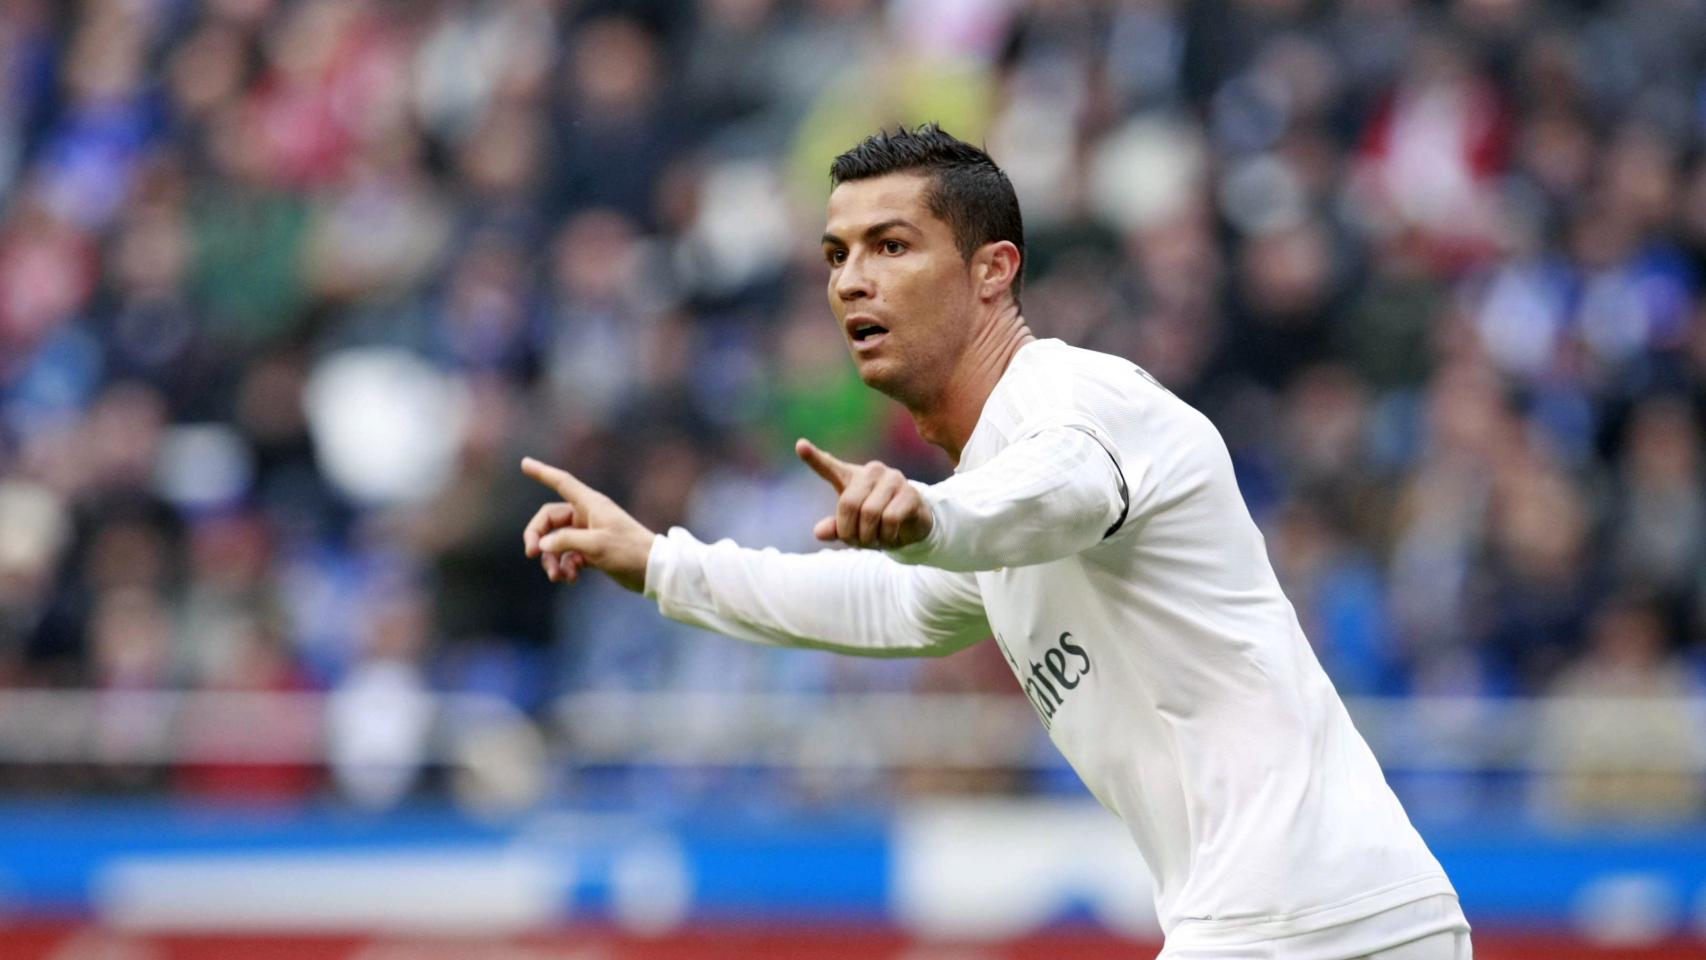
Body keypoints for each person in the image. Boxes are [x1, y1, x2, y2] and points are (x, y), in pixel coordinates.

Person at [521, 124, 1471, 960]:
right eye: (837, 254)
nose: (852, 279)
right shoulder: (995, 486)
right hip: (1331, 911)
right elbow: (885, 602)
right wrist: (660, 562)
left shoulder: (1078, 398)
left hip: (1296, 917)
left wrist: (932, 519)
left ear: (993, 270)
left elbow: (1064, 487)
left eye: (892, 245)